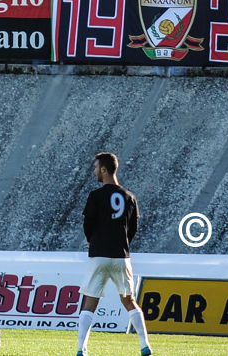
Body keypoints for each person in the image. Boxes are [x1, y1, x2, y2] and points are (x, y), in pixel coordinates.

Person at [74, 152, 152, 356]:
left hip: (99, 255)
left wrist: (92, 240)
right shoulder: (130, 196)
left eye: (96, 167)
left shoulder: (95, 195)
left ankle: (81, 348)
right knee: (129, 300)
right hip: (121, 256)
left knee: (89, 303)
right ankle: (145, 345)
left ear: (104, 169)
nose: (94, 171)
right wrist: (121, 243)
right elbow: (133, 228)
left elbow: (87, 224)